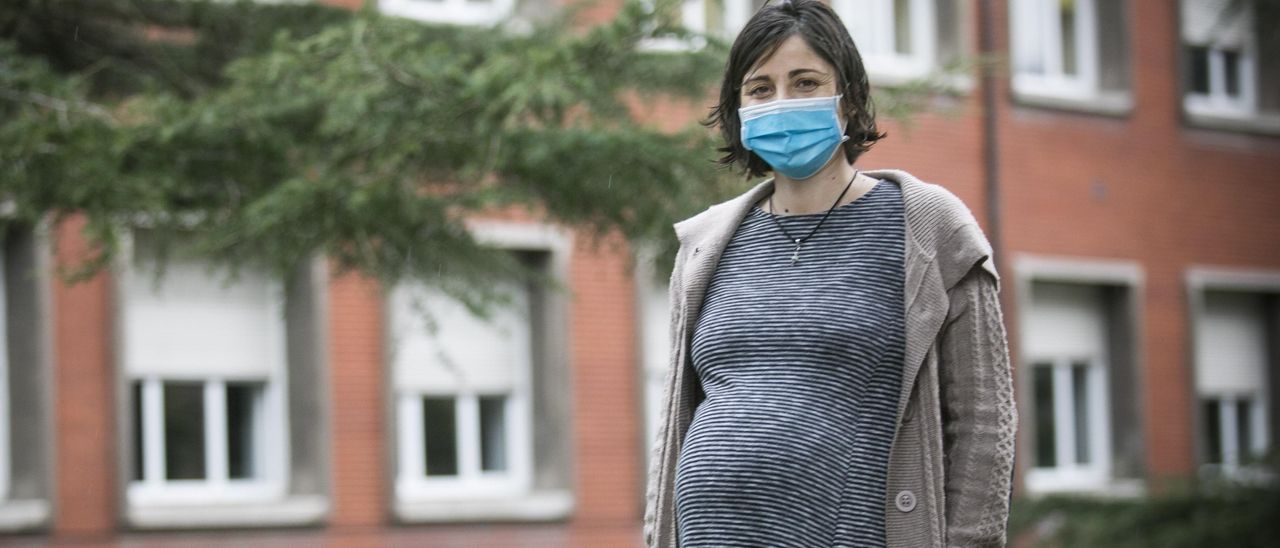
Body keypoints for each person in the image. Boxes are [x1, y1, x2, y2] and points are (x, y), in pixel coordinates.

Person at [642, 1, 1017, 547]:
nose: (781, 102)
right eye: (760, 89)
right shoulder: (707, 243)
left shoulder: (928, 226)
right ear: (737, 109)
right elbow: (678, 420)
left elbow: (984, 424)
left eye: (805, 82)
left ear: (850, 101)